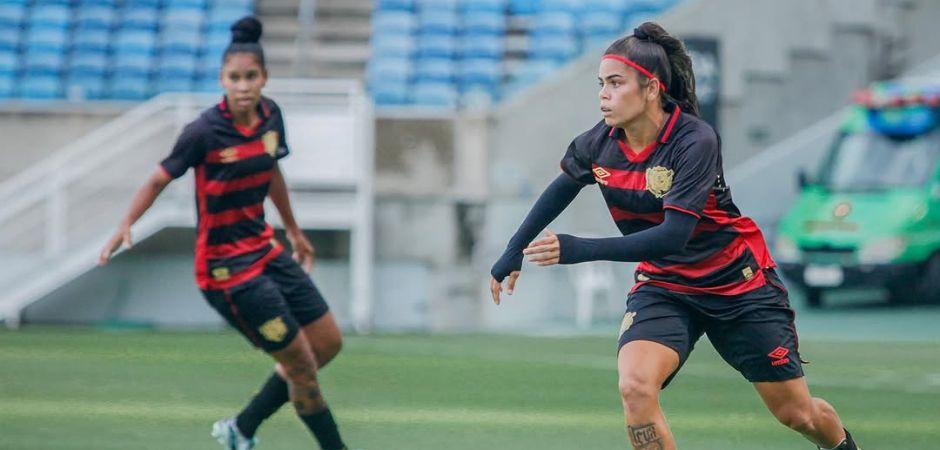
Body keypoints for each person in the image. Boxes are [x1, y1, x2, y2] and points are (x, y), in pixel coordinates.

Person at [489, 22, 860, 450]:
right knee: (635, 387)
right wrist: (512, 250)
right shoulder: (597, 143)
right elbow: (561, 189)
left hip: (737, 286)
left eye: (615, 83)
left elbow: (672, 237)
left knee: (797, 414)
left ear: (651, 88)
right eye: (601, 84)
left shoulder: (694, 140)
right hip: (665, 285)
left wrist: (577, 248)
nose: (603, 94)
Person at [98, 17, 348, 450]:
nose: (243, 86)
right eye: (235, 78)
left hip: (265, 250)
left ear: (264, 78)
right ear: (222, 80)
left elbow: (272, 171)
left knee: (327, 343)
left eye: (251, 77)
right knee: (302, 367)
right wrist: (126, 223)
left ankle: (241, 428)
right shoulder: (203, 132)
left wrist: (293, 230)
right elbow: (159, 178)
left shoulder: (271, 117)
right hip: (227, 271)